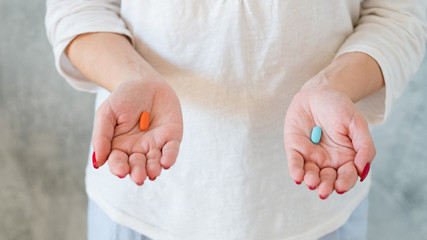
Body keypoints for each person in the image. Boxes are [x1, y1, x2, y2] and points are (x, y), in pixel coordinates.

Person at [45, 1, 427, 239]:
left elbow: (398, 14)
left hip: (312, 208)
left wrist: (334, 86)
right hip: (145, 202)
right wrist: (131, 78)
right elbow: (77, 7)